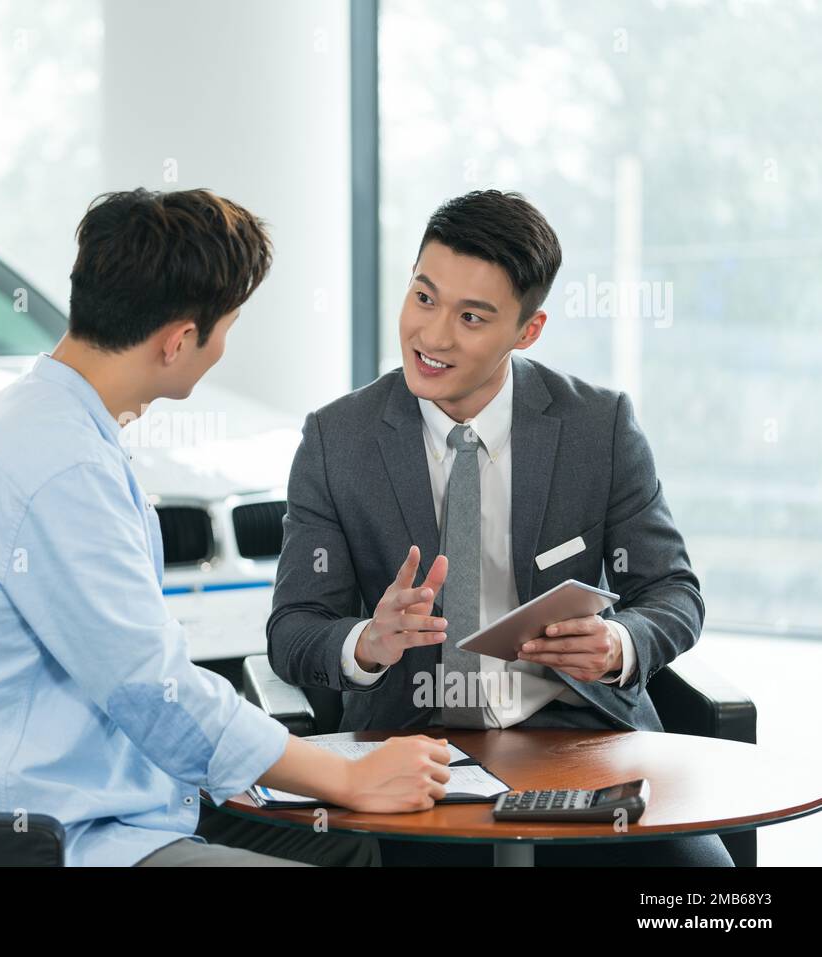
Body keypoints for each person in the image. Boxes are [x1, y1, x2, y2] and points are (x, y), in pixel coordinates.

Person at [0, 187, 451, 867]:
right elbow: (152, 688)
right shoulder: (59, 463)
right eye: (227, 328)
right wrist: (349, 775)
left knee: (352, 846)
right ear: (180, 340)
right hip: (40, 832)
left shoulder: (45, 416)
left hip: (99, 794)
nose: (223, 349)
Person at [267, 189, 732, 866]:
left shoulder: (598, 427)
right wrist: (368, 640)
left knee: (711, 893)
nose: (432, 335)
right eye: (423, 298)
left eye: (472, 316)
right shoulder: (337, 439)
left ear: (528, 329)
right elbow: (292, 630)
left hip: (580, 746)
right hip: (411, 752)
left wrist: (617, 642)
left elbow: (673, 592)